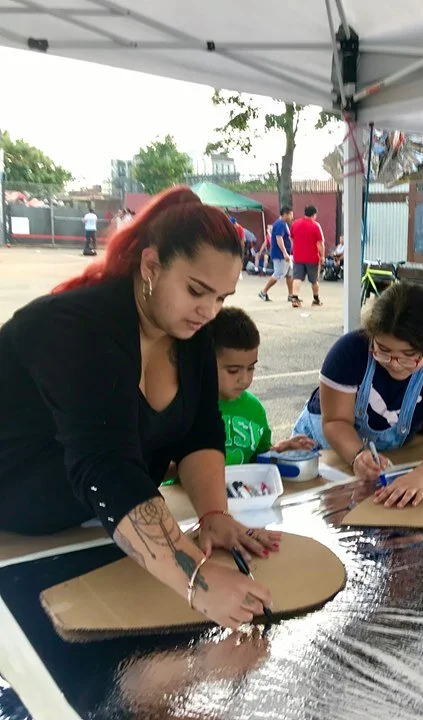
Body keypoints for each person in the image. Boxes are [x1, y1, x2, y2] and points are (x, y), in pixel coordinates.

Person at [0, 187, 279, 629]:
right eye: (196, 291)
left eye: (222, 298)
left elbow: (200, 432)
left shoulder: (193, 333)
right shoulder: (73, 327)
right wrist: (199, 581)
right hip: (16, 538)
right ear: (151, 265)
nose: (209, 311)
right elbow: (105, 466)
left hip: (95, 530)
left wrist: (213, 514)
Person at [292, 283, 423, 508]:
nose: (394, 364)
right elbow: (336, 421)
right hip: (321, 447)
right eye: (383, 350)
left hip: (380, 459)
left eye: (408, 354)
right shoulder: (348, 352)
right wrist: (357, 455)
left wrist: (422, 476)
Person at [208, 307, 315, 465]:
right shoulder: (188, 407)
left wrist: (280, 449)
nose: (244, 379)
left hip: (243, 488)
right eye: (233, 371)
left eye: (251, 368)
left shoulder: (254, 409)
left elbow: (259, 457)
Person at [289, 205, 325, 308]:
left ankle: (295, 298)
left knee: (297, 278)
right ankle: (316, 299)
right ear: (314, 214)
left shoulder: (295, 224)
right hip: (312, 257)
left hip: (298, 256)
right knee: (314, 280)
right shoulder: (316, 226)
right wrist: (322, 256)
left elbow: (292, 238)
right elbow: (320, 243)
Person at [258, 206, 294, 303]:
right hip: (280, 255)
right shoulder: (280, 224)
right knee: (278, 273)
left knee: (290, 274)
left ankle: (291, 295)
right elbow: (279, 238)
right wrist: (285, 253)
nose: (292, 217)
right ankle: (263, 292)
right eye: (291, 215)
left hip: (284, 254)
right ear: (285, 214)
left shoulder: (283, 224)